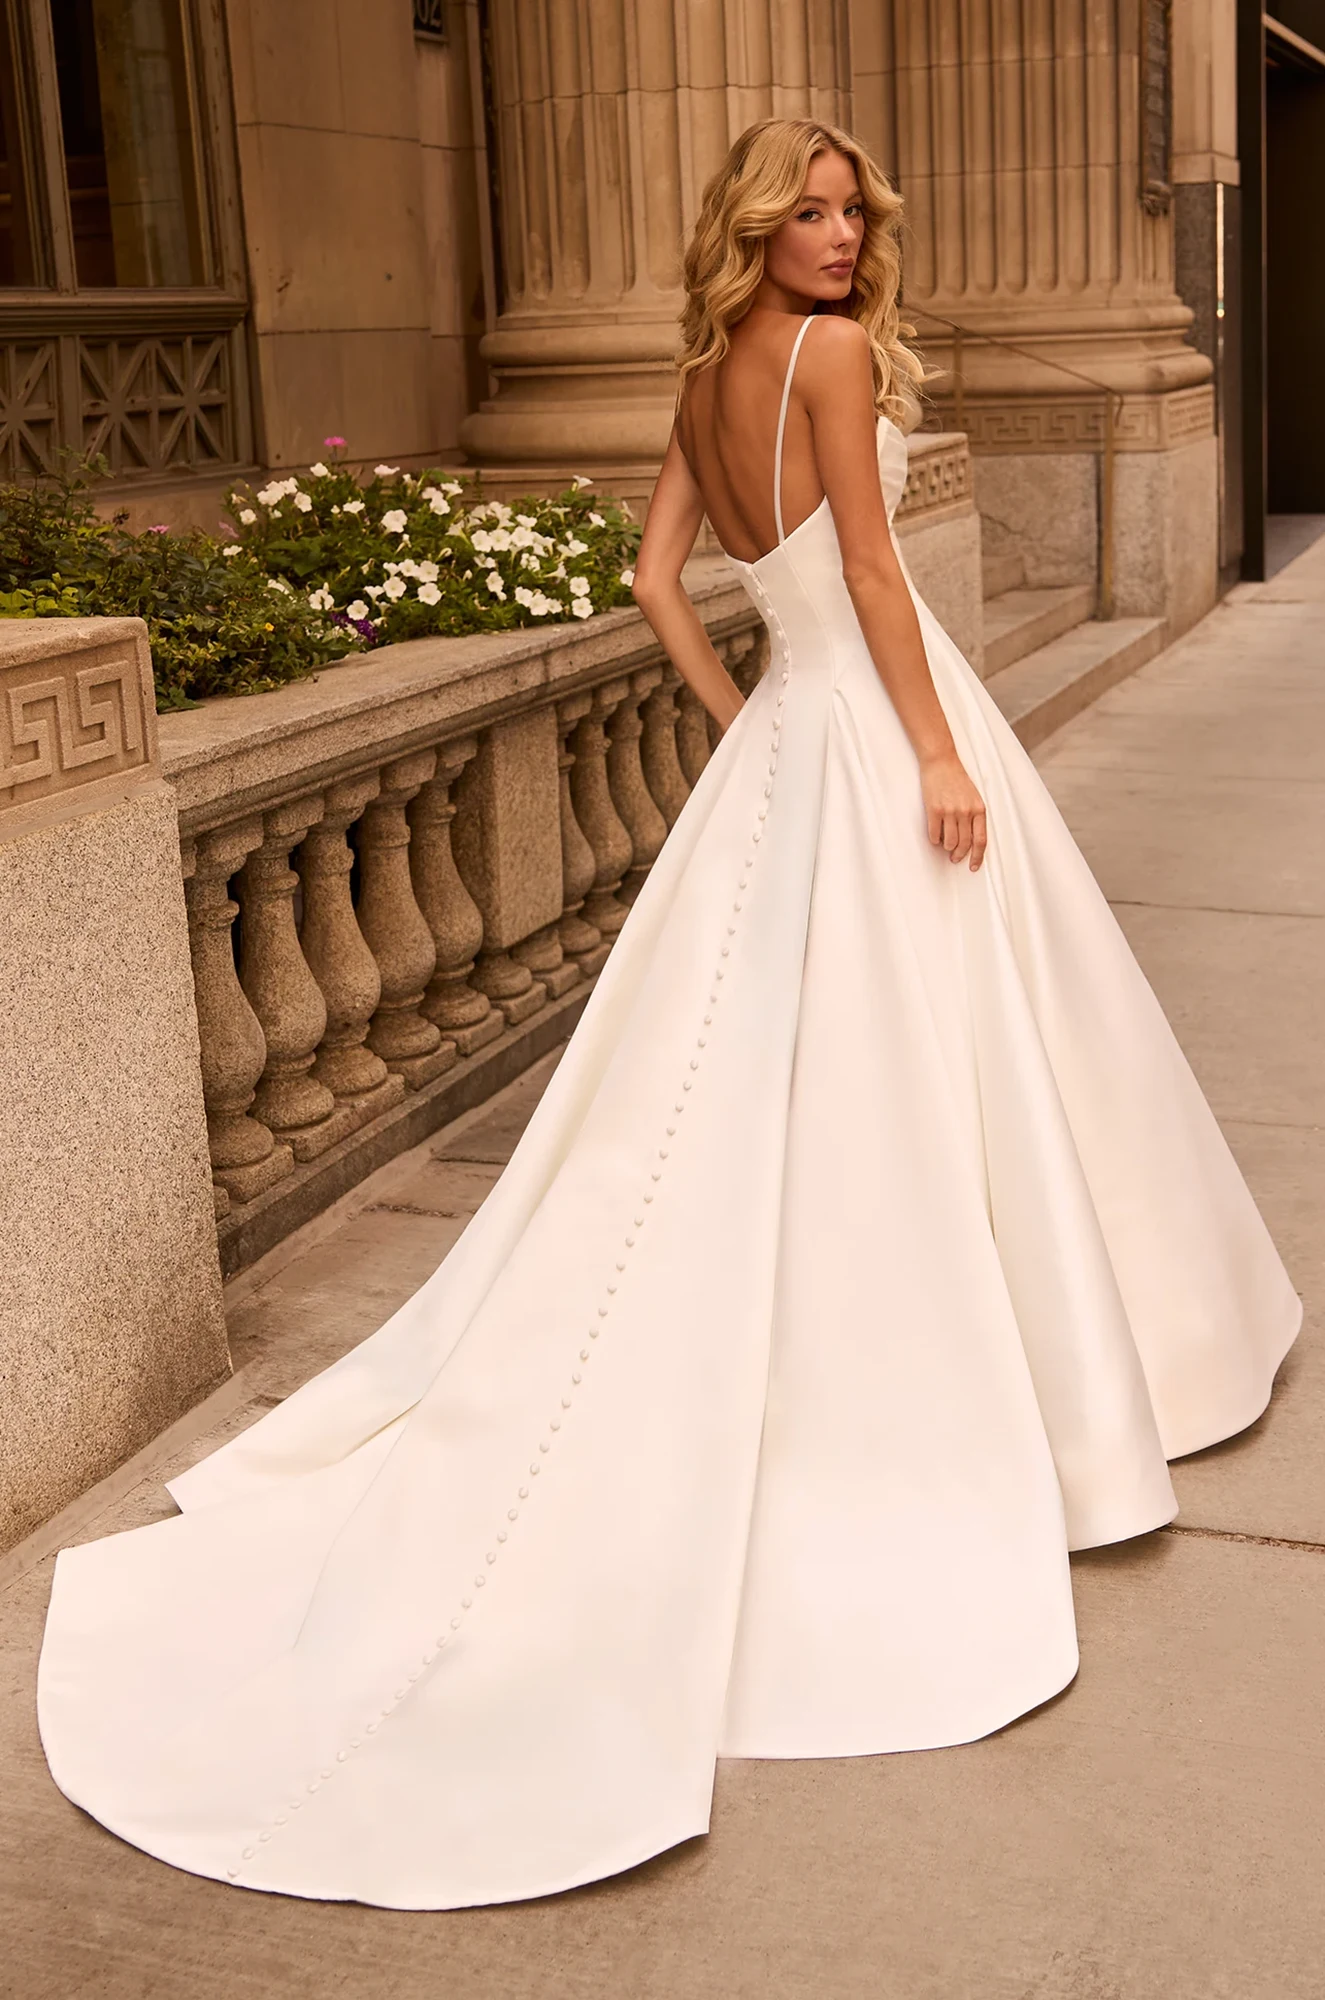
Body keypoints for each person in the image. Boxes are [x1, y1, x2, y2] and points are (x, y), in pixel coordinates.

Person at [38, 119, 1299, 1913]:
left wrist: (743, 713)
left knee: (771, 1070)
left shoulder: (708, 369)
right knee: (932, 1053)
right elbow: (872, 579)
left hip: (790, 739)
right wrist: (932, 749)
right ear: (754, 228)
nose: (843, 230)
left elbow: (654, 585)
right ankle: (1006, 1379)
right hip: (873, 727)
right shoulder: (837, 357)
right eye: (809, 208)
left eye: (856, 204)